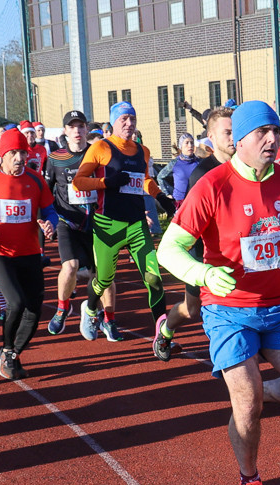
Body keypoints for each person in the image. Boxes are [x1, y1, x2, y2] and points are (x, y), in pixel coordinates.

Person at [157, 100, 280, 485]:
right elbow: (169, 249)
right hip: (228, 309)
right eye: (263, 133)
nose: (273, 139)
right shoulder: (212, 185)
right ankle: (249, 480)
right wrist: (202, 274)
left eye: (277, 131)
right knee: (247, 406)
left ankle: (249, 392)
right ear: (241, 140)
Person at [72, 101, 176, 342]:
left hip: (137, 224)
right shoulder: (100, 148)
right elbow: (80, 181)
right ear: (113, 122)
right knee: (105, 279)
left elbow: (145, 180)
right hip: (108, 225)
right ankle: (89, 309)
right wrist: (106, 183)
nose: (129, 124)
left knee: (154, 278)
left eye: (133, 119)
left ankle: (161, 335)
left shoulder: (143, 150)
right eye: (124, 120)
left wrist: (160, 196)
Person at [153, 106, 235, 361]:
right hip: (206, 253)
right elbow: (191, 225)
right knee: (193, 308)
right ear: (211, 138)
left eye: (236, 132)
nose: (234, 138)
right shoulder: (203, 175)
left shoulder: (247, 166)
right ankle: (165, 331)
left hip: (239, 253)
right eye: (227, 133)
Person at [0, 129, 57, 380]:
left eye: (23, 152)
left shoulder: (36, 180)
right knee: (16, 303)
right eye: (13, 153)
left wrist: (49, 224)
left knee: (34, 308)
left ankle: (12, 353)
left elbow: (50, 210)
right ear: (1, 155)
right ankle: (8, 347)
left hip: (29, 250)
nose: (19, 158)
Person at [45, 109, 116, 336]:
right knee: (71, 266)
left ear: (87, 129)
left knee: (103, 274)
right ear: (65, 131)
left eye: (81, 126)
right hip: (67, 221)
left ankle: (108, 318)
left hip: (98, 222)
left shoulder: (99, 155)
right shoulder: (56, 158)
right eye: (72, 126)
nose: (77, 130)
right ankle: (62, 309)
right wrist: (43, 218)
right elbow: (45, 192)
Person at [156, 133, 199, 208]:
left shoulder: (199, 163)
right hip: (179, 202)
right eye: (186, 143)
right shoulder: (175, 163)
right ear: (181, 146)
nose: (190, 145)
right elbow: (160, 177)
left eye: (192, 143)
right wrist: (167, 194)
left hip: (196, 201)